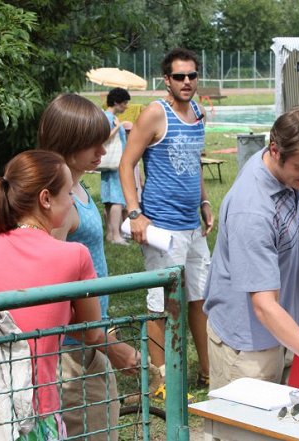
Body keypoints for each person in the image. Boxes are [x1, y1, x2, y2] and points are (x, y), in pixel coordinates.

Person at [0, 150, 136, 439]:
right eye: (68, 192)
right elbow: (91, 331)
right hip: (36, 417)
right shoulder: (75, 256)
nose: (72, 201)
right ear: (46, 199)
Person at [202, 106, 299, 399]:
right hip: (249, 348)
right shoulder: (252, 210)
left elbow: (280, 233)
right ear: (275, 150)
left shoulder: (287, 175)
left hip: (285, 333)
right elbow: (263, 306)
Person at [38, 93, 137, 440]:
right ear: (68, 141)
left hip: (90, 341)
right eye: (92, 143)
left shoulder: (76, 187)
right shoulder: (57, 196)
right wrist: (106, 340)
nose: (101, 150)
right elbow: (54, 286)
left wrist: (102, 335)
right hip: (71, 352)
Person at [120, 48, 211, 386]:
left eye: (191, 76)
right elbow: (126, 163)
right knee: (161, 305)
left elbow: (194, 161)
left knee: (200, 299)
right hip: (161, 226)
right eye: (179, 77)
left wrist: (204, 202)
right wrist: (135, 214)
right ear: (167, 80)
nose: (186, 82)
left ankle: (207, 372)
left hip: (192, 225)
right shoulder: (154, 114)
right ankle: (161, 382)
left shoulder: (199, 113)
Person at [101, 87, 131, 245]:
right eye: (124, 103)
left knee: (109, 201)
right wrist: (119, 127)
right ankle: (116, 235)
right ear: (117, 102)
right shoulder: (108, 117)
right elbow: (103, 137)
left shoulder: (108, 116)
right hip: (114, 164)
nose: (126, 106)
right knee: (117, 200)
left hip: (110, 164)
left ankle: (110, 234)